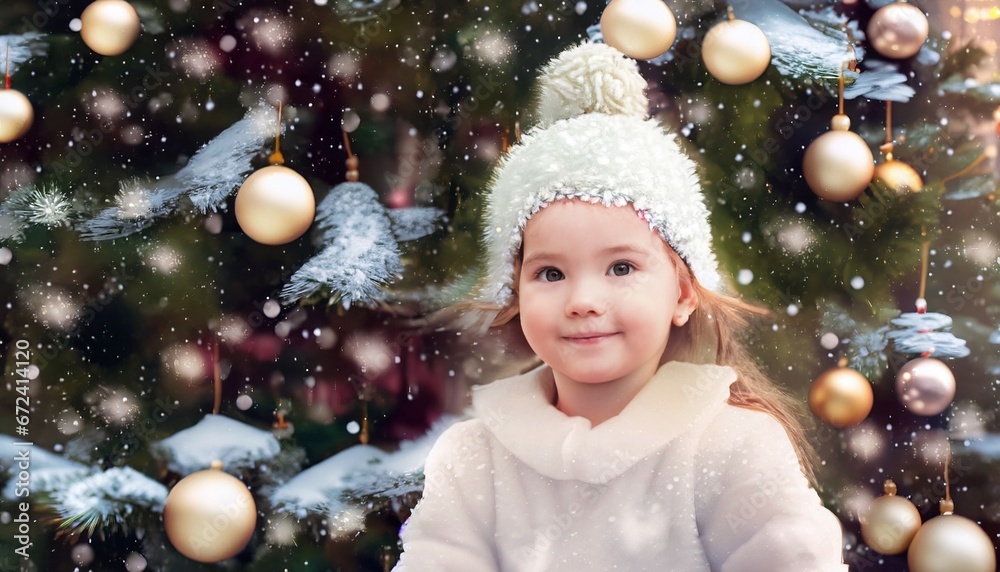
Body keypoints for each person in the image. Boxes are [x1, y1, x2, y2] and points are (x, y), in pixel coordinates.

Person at [394, 42, 847, 571]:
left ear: (682, 292)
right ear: (514, 293)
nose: (583, 301)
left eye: (621, 268)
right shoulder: (474, 458)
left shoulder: (730, 447)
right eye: (551, 273)